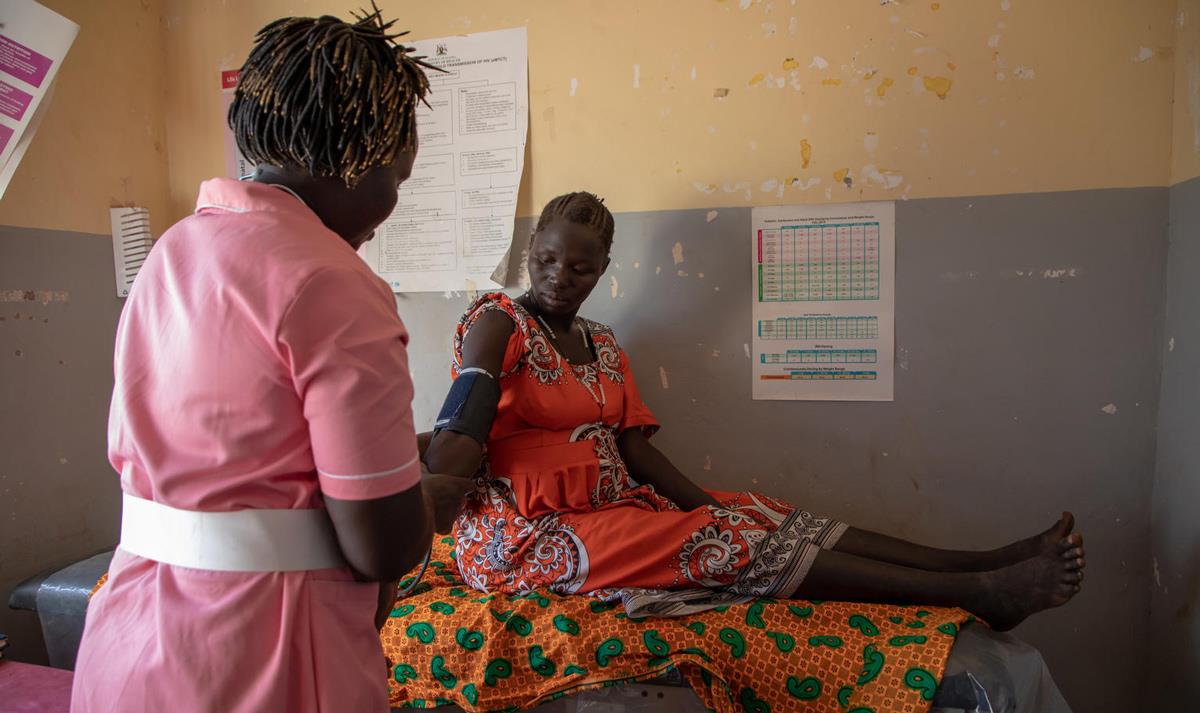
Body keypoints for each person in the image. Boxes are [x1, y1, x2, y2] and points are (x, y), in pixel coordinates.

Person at [422, 191, 1086, 628]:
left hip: (612, 502)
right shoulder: (498, 322)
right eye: (546, 258)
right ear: (530, 249)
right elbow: (460, 432)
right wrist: (425, 483)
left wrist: (707, 505)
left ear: (603, 269)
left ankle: (971, 562)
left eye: (580, 267)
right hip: (526, 534)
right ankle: (979, 596)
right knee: (725, 544)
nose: (559, 276)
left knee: (756, 513)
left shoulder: (601, 341)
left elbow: (634, 448)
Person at [72, 9, 470, 713]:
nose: (390, 205)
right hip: (258, 655)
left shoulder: (175, 250)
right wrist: (426, 500)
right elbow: (381, 545)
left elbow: (235, 453)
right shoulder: (333, 282)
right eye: (398, 180)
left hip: (133, 638)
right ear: (362, 159)